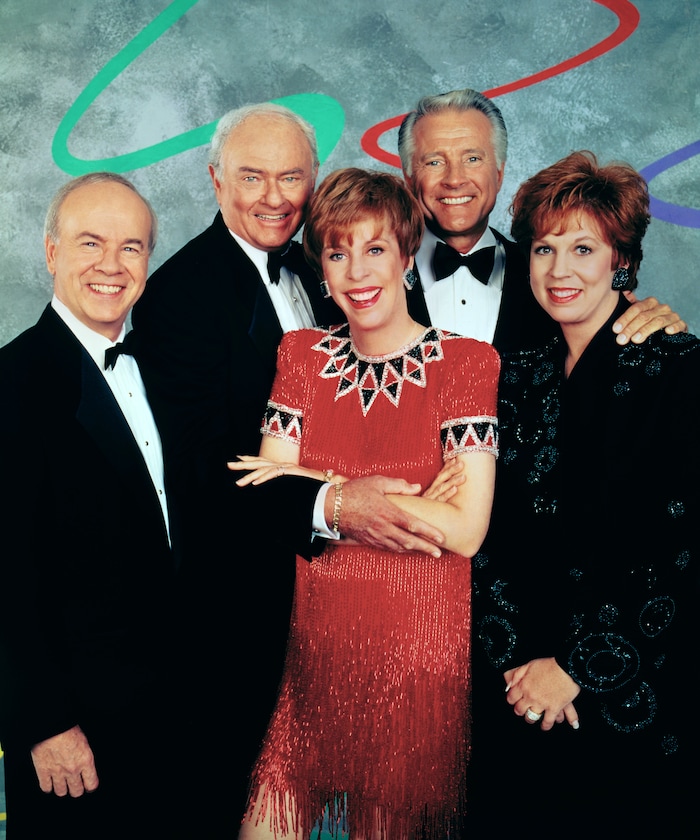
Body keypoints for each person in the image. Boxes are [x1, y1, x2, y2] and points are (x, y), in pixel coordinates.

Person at [131, 103, 447, 830]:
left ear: (314, 179)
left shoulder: (334, 262)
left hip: (375, 601)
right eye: (252, 177)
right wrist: (334, 505)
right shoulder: (178, 296)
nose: (274, 197)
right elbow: (205, 468)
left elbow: (412, 382)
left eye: (292, 177)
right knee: (249, 808)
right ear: (216, 180)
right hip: (249, 617)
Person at [230, 167, 500, 839]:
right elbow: (266, 494)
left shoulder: (466, 364)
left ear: (407, 257)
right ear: (320, 268)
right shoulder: (300, 355)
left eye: (375, 248)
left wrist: (315, 480)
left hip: (416, 665)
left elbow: (465, 530)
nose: (356, 271)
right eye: (337, 252)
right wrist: (368, 495)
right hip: (313, 663)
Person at [470, 151, 699, 836]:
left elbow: (681, 548)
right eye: (544, 249)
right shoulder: (516, 375)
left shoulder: (680, 370)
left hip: (638, 691)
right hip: (519, 690)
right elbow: (488, 537)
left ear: (620, 260)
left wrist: (575, 667)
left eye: (582, 248)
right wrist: (520, 669)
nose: (559, 270)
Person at [0, 172, 179, 838]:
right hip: (74, 737)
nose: (112, 265)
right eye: (90, 243)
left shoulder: (167, 367)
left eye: (131, 247)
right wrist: (43, 722)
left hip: (176, 716)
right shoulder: (11, 384)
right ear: (51, 253)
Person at [397, 87, 686, 351]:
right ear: (409, 177)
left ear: (499, 172)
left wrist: (655, 324)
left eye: (472, 159)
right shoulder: (377, 280)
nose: (454, 179)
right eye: (434, 162)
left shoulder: (552, 277)